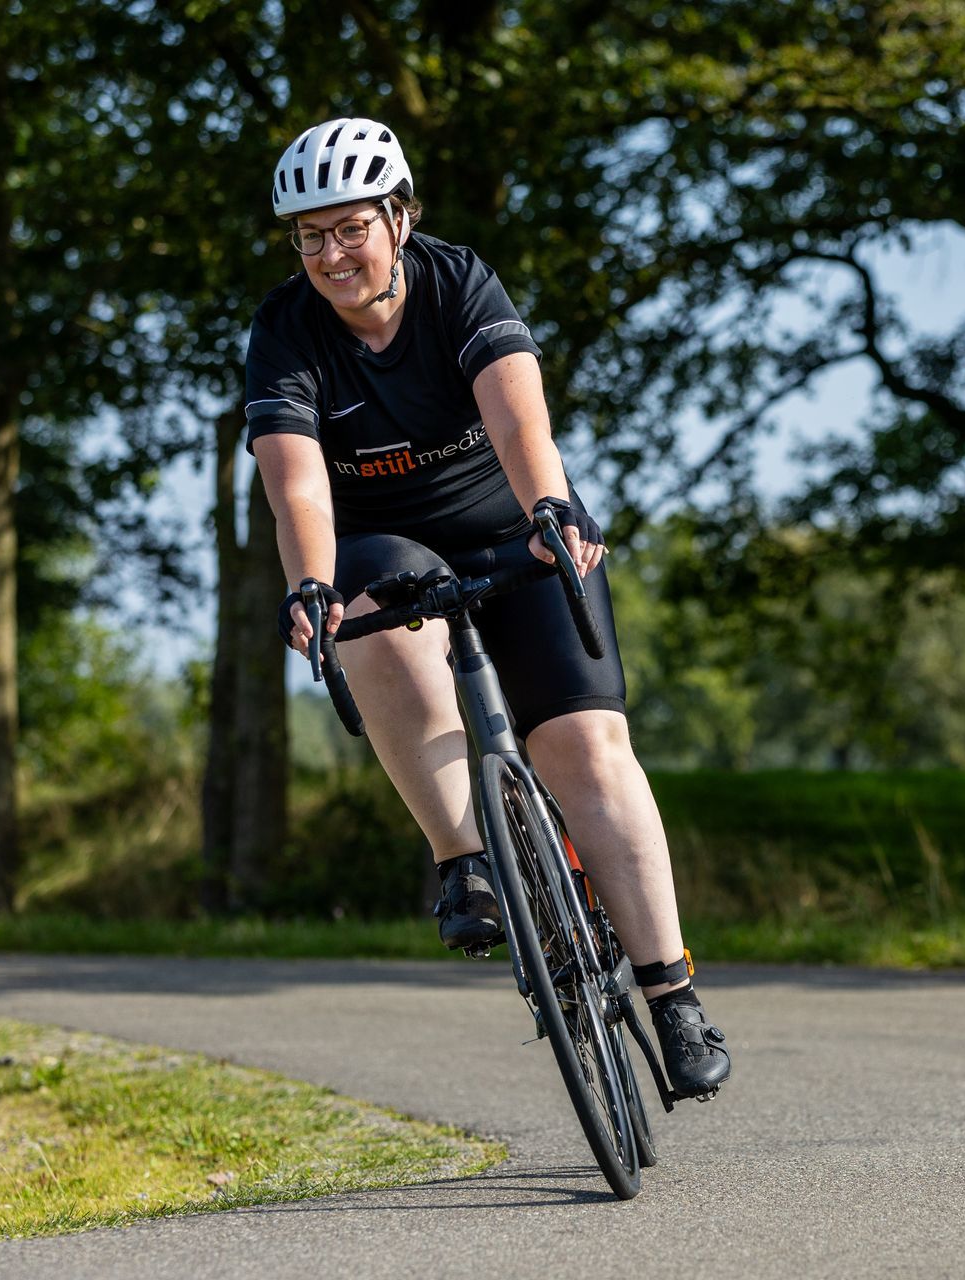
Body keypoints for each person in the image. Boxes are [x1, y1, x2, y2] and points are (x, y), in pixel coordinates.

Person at [244, 117, 730, 1099]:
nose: (330, 253)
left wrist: (549, 508)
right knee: (364, 604)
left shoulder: (460, 281)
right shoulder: (285, 328)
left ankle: (672, 994)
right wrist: (307, 582)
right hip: (388, 542)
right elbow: (297, 484)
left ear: (400, 216)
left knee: (586, 750)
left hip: (516, 521)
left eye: (350, 228)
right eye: (309, 235)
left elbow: (517, 415)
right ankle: (464, 857)